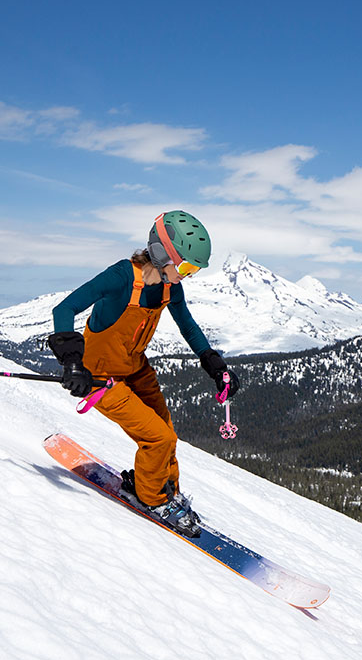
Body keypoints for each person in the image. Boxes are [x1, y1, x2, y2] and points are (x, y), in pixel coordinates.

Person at [47, 210, 240, 536]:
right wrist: (72, 363)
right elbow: (64, 308)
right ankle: (151, 499)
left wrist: (214, 364)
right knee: (157, 438)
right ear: (163, 254)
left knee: (167, 434)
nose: (189, 276)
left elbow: (188, 326)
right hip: (100, 377)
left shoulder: (169, 287)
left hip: (136, 369)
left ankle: (168, 491)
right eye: (187, 267)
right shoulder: (121, 277)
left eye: (194, 270)